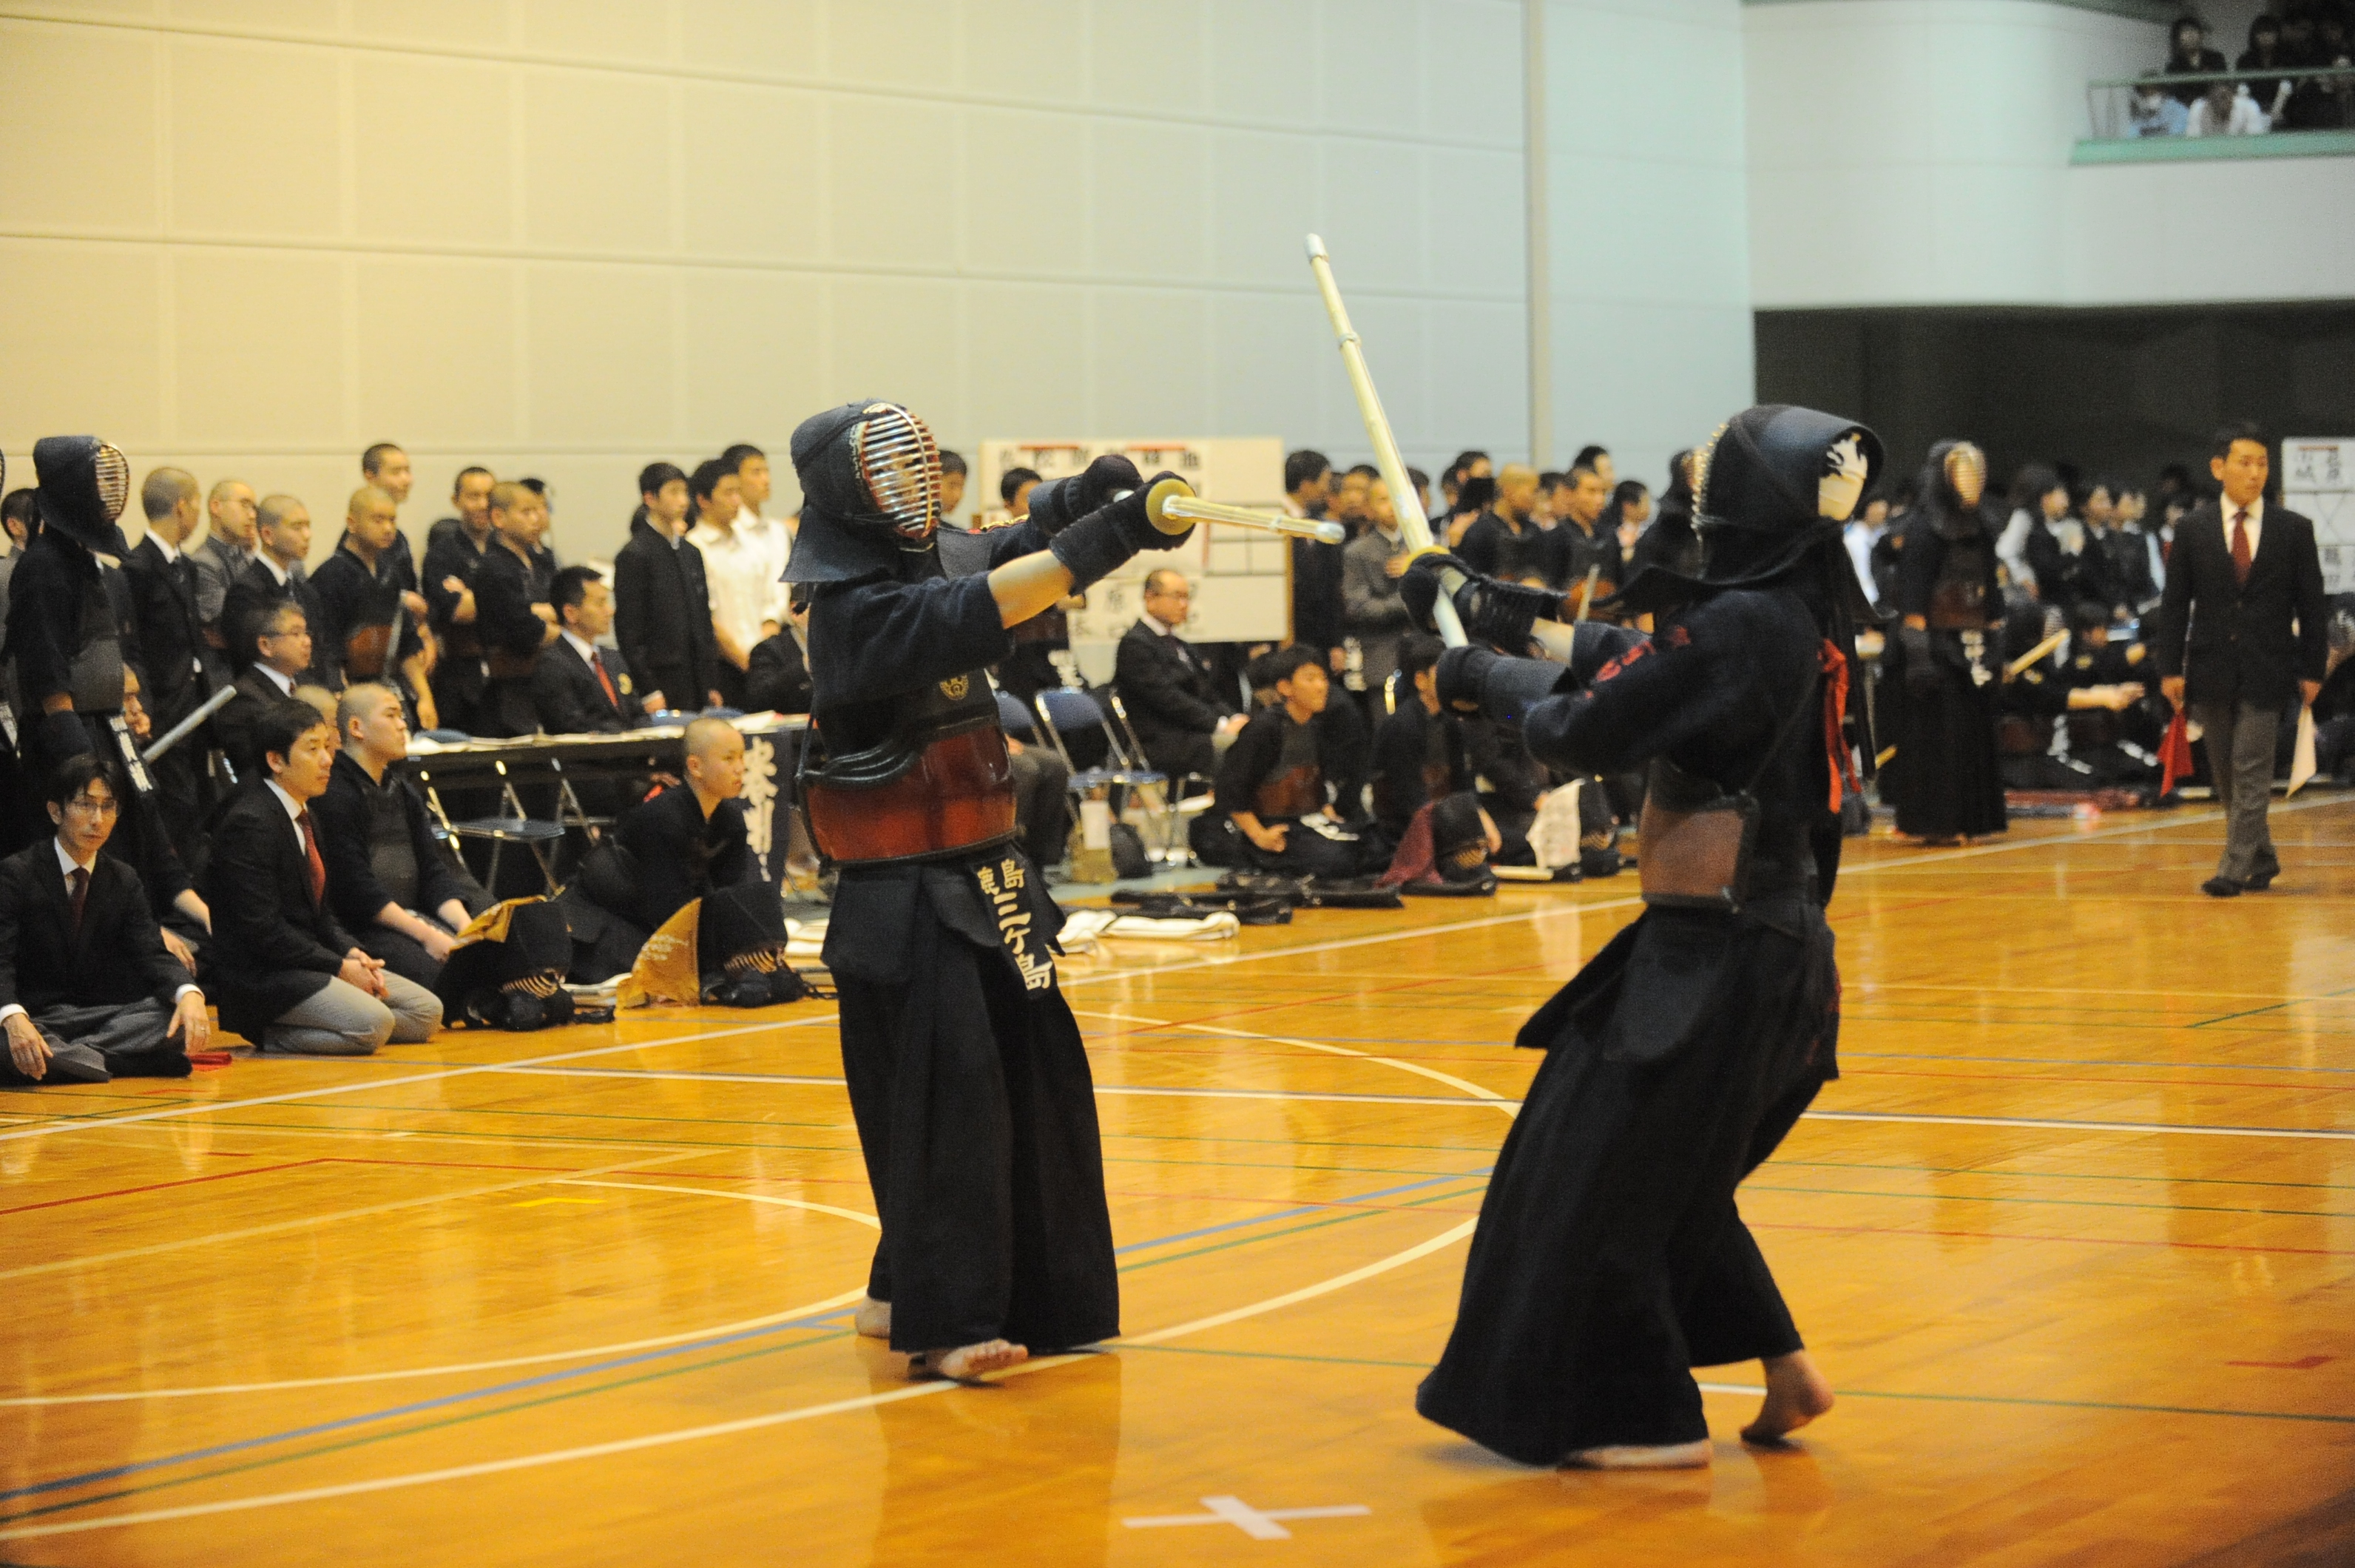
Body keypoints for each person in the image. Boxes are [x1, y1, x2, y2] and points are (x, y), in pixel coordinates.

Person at [1402, 402, 1879, 1470]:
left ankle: (1636, 1416)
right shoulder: (1790, 610)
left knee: (1591, 1177)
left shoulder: (1749, 626)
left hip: (1723, 954)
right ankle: (1786, 1369)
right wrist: (1491, 610)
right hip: (1746, 947)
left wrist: (1478, 675)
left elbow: (1593, 720)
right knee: (1667, 1173)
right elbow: (1639, 655)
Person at [786, 402, 1189, 1383]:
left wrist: (1083, 500)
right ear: (847, 491)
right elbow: (1001, 595)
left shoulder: (925, 563)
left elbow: (1002, 546)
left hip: (992, 876)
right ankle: (951, 1319)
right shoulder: (849, 613)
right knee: (951, 1099)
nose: (914, 482)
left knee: (1025, 1084)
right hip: (907, 891)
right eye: (889, 469)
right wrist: (1114, 536)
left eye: (915, 461)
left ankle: (902, 1284)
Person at [201, 700, 444, 1053]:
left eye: (329, 748)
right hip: (266, 975)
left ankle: (342, 1018)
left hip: (312, 962)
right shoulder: (250, 823)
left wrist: (353, 952)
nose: (328, 760)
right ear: (276, 761)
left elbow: (323, 915)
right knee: (374, 1024)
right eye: (313, 750)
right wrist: (339, 966)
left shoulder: (308, 815)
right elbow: (262, 931)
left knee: (426, 1012)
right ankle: (271, 1034)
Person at [2149, 422, 2328, 896]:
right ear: (2218, 468)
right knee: (2227, 772)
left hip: (2269, 668)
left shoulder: (2294, 530)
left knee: (2251, 767)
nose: (2255, 474)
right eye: (2244, 463)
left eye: (2262, 464)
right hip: (2209, 667)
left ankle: (2232, 868)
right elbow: (2174, 604)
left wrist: (2313, 669)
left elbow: (2313, 607)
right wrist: (2169, 667)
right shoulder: (2191, 530)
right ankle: (2262, 857)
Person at [0, 756, 210, 1087]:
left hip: (100, 1017)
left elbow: (151, 952)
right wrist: (13, 1017)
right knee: (8, 1040)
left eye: (108, 807)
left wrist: (189, 993)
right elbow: (1, 961)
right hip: (34, 1014)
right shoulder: (16, 874)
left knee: (177, 1020)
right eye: (85, 805)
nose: (97, 820)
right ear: (56, 811)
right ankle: (117, 1061)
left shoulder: (123, 878)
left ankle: (77, 1060)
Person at [314, 683, 489, 987]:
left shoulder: (403, 790)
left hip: (415, 915)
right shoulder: (335, 794)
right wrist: (428, 936)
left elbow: (433, 869)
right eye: (392, 715)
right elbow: (358, 892)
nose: (403, 725)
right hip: (368, 927)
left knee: (493, 958)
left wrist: (465, 929)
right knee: (449, 982)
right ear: (357, 728)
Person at [5, 439, 140, 803]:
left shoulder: (75, 557)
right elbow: (45, 673)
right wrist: (80, 758)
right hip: (66, 741)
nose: (110, 494)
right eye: (101, 483)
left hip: (103, 728)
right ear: (75, 490)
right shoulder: (44, 567)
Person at [1889, 442, 2007, 845]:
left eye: (1978, 473)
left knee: (1973, 733)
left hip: (1973, 642)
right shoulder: (1924, 530)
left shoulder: (1984, 527)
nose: (1973, 481)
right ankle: (1937, 822)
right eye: (1964, 473)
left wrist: (1997, 644)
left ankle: (1973, 818)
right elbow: (1913, 599)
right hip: (1937, 644)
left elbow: (1992, 591)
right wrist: (1919, 655)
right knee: (1941, 737)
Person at [1205, 644, 1374, 876]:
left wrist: (1333, 820)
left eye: (1323, 678)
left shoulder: (1316, 727)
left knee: (1373, 847)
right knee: (1337, 860)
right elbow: (1230, 791)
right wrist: (1260, 836)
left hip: (1306, 823)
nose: (1321, 686)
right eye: (1310, 679)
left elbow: (1316, 784)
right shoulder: (1265, 729)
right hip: (1271, 828)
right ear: (1285, 687)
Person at [125, 467, 214, 857]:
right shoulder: (136, 568)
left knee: (199, 790)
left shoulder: (188, 567)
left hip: (195, 696)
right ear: (183, 508)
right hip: (161, 700)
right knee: (174, 798)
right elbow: (134, 646)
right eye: (197, 504)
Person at [311, 485, 432, 717]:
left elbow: (406, 640)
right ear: (352, 523)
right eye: (378, 520)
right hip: (346, 691)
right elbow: (328, 649)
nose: (388, 528)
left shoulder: (390, 573)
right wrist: (341, 697)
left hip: (386, 684)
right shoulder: (331, 575)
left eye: (392, 520)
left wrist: (425, 697)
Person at [613, 461, 720, 717]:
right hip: (662, 676)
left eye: (685, 492)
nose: (683, 501)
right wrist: (648, 688)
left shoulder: (690, 552)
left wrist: (711, 682)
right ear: (650, 498)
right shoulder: (635, 554)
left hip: (696, 676)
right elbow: (629, 630)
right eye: (673, 492)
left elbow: (704, 621)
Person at [1113, 569, 1240, 782]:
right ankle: (1231, 811)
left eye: (1187, 597)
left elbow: (1207, 693)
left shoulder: (1182, 645)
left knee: (1254, 737)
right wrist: (1220, 725)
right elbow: (1168, 699)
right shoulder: (1135, 644)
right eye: (1177, 597)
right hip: (1162, 740)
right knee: (1241, 747)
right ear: (1150, 598)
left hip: (1193, 733)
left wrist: (1234, 718)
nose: (1184, 605)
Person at [470, 481, 562, 736]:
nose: (536, 519)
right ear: (499, 517)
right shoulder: (494, 568)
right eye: (526, 512)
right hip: (511, 689)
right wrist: (566, 634)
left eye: (538, 510)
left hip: (546, 681)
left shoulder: (542, 562)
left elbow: (563, 609)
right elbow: (524, 630)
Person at [221, 494, 331, 685]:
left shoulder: (306, 592)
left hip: (311, 693)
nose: (307, 535)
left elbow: (320, 652)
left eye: (308, 526)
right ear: (268, 535)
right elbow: (250, 660)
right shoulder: (246, 592)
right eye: (297, 527)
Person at [420, 465, 497, 734]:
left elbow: (542, 609)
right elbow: (457, 611)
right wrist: (507, 602)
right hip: (459, 676)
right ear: (456, 501)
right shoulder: (442, 553)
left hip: (507, 673)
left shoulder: (509, 548)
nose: (483, 504)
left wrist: (473, 595)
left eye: (489, 496)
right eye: (473, 496)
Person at [533, 565, 653, 733]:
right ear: (570, 613)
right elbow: (573, 725)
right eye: (600, 603)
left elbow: (638, 713)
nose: (610, 611)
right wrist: (624, 736)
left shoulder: (612, 658)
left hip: (631, 752)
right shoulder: (553, 665)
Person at [687, 454, 766, 708]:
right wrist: (742, 659)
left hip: (763, 661)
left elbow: (770, 601)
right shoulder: (694, 548)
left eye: (738, 493)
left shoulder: (752, 543)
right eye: (728, 493)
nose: (737, 501)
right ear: (703, 500)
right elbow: (704, 616)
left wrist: (764, 655)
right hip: (723, 666)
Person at [212, 601, 315, 784]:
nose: (307, 641)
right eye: (296, 633)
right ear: (265, 645)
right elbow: (254, 770)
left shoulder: (308, 687)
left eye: (306, 633)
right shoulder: (243, 699)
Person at [1340, 476, 1416, 709]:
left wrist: (1416, 568)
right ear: (1369, 508)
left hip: (1424, 652)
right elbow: (1359, 607)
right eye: (1383, 500)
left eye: (1397, 498)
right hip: (1381, 655)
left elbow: (1445, 597)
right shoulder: (1357, 551)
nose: (1392, 506)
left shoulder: (1425, 545)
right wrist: (1409, 600)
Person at [191, 477, 259, 680]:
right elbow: (228, 625)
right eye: (245, 505)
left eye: (254, 508)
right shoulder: (203, 562)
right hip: (223, 675)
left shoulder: (246, 560)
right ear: (216, 507)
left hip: (247, 669)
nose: (253, 515)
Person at [1283, 449, 1345, 671]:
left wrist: (1335, 643)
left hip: (1317, 641)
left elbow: (1332, 588)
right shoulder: (1272, 519)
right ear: (1306, 484)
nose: (1327, 490)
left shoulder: (1321, 526)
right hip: (1283, 638)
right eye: (1324, 481)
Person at [1537, 462, 1621, 612]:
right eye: (1591, 491)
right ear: (1569, 494)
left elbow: (1620, 583)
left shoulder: (1610, 536)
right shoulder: (1556, 538)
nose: (1600, 500)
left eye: (1603, 493)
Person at [350, 443, 420, 593]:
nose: (406, 480)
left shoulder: (399, 537)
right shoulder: (360, 536)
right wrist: (401, 598)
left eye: (407, 471)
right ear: (370, 477)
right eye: (396, 472)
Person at [1459, 464, 1544, 586]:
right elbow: (1472, 582)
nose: (1535, 498)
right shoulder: (1481, 532)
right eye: (1533, 492)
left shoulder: (1534, 530)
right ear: (1508, 491)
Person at [1629, 449, 1701, 578]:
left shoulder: (1715, 519)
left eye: (1704, 473)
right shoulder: (1668, 524)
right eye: (1693, 473)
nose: (1699, 480)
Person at [744, 587, 812, 715]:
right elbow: (758, 699)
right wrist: (803, 666)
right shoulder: (768, 650)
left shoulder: (840, 645)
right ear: (795, 611)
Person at [2161, 14, 2228, 104]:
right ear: (2178, 38)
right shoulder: (2174, 66)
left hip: (2214, 107)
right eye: (2185, 31)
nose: (2190, 35)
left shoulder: (2216, 58)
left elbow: (2222, 86)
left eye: (2193, 30)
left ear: (2201, 35)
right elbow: (2175, 95)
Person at [2186, 78, 2269, 135]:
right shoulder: (2198, 108)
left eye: (2225, 96)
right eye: (2218, 96)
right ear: (2209, 97)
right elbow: (2192, 144)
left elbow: (2254, 144)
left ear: (2233, 95)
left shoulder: (2249, 107)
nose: (2222, 101)